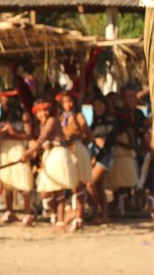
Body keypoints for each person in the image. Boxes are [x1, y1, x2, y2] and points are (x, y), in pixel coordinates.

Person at [21, 100, 78, 232]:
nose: (43, 114)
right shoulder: (42, 124)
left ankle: (61, 222)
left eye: (45, 110)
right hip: (50, 156)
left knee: (58, 190)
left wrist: (28, 153)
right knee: (45, 192)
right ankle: (65, 213)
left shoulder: (52, 121)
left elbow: (41, 139)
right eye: (40, 112)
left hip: (58, 155)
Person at [0, 92, 36, 226]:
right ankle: (9, 211)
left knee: (23, 181)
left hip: (18, 148)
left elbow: (29, 135)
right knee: (7, 182)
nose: (1, 102)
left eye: (3, 99)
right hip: (5, 149)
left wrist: (14, 133)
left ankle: (28, 213)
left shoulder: (24, 115)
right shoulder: (3, 115)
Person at [58, 92, 93, 230]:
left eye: (71, 101)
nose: (69, 104)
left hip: (77, 150)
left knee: (77, 185)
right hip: (65, 150)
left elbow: (88, 135)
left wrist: (78, 142)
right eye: (66, 102)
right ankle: (65, 215)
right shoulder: (61, 117)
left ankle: (79, 217)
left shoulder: (79, 116)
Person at [86, 94, 116, 225]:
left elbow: (109, 143)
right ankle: (104, 215)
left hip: (105, 155)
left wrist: (97, 157)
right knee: (100, 187)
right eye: (95, 106)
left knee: (90, 184)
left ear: (105, 106)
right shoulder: (95, 121)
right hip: (95, 154)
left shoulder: (111, 121)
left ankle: (96, 211)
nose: (98, 108)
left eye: (100, 105)